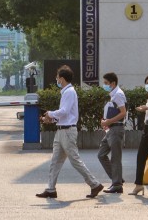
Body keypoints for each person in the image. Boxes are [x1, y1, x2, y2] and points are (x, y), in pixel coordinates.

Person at [35, 65, 103, 200]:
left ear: (62, 78)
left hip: (67, 132)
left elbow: (65, 111)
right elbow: (65, 115)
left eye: (57, 77)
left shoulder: (69, 92)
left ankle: (94, 184)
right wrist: (51, 119)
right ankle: (50, 189)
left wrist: (50, 113)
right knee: (55, 161)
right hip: (62, 130)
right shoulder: (66, 92)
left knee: (74, 160)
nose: (56, 80)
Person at [97, 72, 128, 193]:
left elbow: (123, 112)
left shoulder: (118, 95)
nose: (104, 85)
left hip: (116, 129)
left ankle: (117, 184)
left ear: (113, 83)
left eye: (106, 83)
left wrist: (109, 121)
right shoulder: (114, 95)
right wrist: (106, 122)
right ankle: (117, 179)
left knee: (115, 158)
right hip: (111, 129)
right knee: (101, 154)